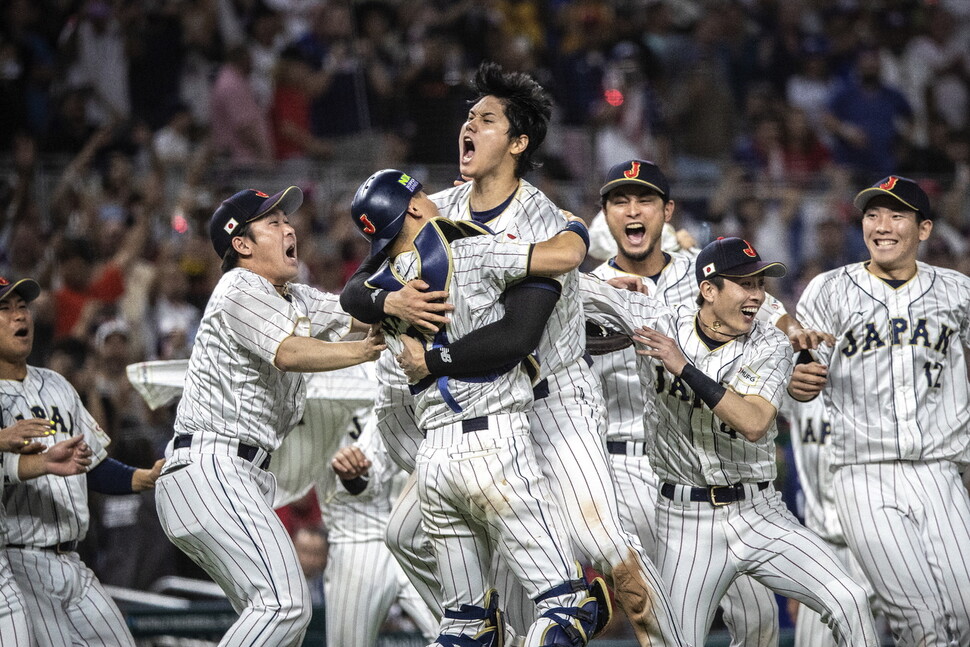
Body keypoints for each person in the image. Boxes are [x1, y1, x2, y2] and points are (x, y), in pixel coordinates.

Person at [341, 61, 689, 647]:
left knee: (601, 544)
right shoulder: (439, 207)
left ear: (518, 141)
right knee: (404, 534)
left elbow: (564, 259)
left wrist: (589, 273)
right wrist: (389, 296)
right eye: (467, 117)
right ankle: (490, 628)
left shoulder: (543, 218)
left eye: (485, 119)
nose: (467, 127)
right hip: (480, 410)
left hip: (552, 400)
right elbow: (357, 294)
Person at [349, 167, 609, 646]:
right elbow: (564, 256)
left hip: (433, 466)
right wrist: (572, 224)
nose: (432, 200)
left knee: (466, 628)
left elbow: (352, 296)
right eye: (422, 195)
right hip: (494, 448)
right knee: (568, 607)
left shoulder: (382, 288)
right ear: (412, 207)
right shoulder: (471, 245)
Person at [580, 237, 880, 646]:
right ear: (709, 290)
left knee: (850, 598)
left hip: (760, 513)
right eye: (745, 284)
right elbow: (567, 284)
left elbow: (753, 422)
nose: (757, 295)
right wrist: (603, 282)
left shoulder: (770, 345)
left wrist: (682, 366)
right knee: (674, 641)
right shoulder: (658, 320)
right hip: (686, 522)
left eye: (760, 284)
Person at [153, 186, 385, 647]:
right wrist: (362, 351)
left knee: (281, 625)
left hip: (239, 477)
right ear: (241, 243)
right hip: (211, 468)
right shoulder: (240, 285)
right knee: (286, 604)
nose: (289, 228)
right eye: (273, 222)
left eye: (287, 220)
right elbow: (290, 351)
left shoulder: (294, 297)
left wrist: (398, 302)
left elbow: (353, 310)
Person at [587, 160, 782, 646]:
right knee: (658, 619)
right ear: (606, 215)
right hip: (621, 464)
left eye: (646, 200)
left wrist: (798, 341)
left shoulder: (707, 274)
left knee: (758, 615)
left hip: (709, 464)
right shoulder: (584, 288)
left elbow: (775, 320)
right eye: (620, 201)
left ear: (667, 212)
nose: (633, 211)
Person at [795, 175, 970, 645]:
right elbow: (803, 375)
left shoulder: (957, 291)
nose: (882, 225)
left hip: (939, 472)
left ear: (925, 229)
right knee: (921, 623)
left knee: (965, 611)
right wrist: (801, 380)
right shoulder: (829, 290)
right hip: (863, 473)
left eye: (897, 215)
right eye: (873, 214)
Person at [0, 275, 158, 647]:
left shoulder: (57, 385)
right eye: (4, 309)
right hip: (21, 559)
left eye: (23, 306)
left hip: (73, 558)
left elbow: (91, 461)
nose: (19, 316)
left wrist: (143, 478)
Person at [323, 418, 437, 647]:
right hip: (356, 530)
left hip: (421, 528)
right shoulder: (323, 385)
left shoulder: (398, 383)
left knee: (468, 631)